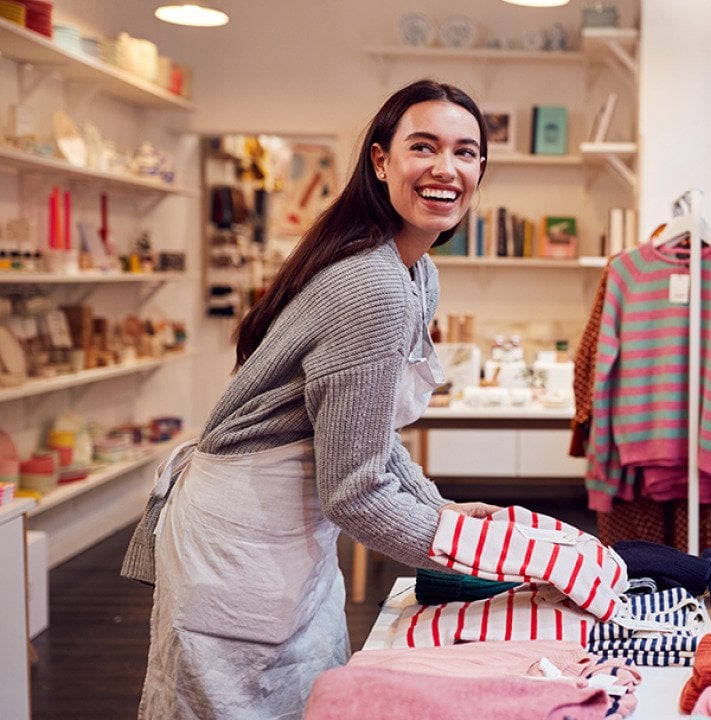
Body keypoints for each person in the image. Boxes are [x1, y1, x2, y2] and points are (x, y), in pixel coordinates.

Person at [120, 79, 502, 719]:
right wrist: (464, 547)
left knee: (305, 689)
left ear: (481, 169)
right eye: (424, 147)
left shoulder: (413, 271)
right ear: (381, 161)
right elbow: (355, 493)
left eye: (466, 152)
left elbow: (371, 433)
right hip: (241, 535)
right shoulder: (371, 286)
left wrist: (442, 509)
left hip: (290, 527)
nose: (446, 168)